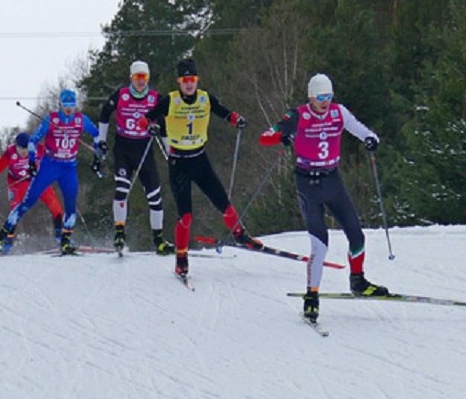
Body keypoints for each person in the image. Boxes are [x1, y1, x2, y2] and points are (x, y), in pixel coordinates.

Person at [259, 73, 389, 323]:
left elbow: (363, 131)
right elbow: (265, 137)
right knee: (320, 244)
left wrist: (371, 140)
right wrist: (281, 136)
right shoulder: (297, 116)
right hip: (307, 182)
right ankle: (311, 296)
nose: (325, 102)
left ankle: (358, 280)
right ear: (311, 97)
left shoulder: (339, 113)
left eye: (329, 96)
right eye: (320, 97)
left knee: (356, 233)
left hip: (332, 179)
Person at [139, 57, 254, 277]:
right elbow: (144, 120)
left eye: (192, 79)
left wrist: (237, 119)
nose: (189, 84)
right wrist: (150, 126)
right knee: (186, 216)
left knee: (222, 201)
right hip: (179, 163)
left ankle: (240, 234)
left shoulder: (205, 98)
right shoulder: (170, 101)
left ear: (197, 80)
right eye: (185, 80)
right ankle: (181, 258)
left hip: (200, 160)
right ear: (179, 82)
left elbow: (224, 112)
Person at [0, 88, 102, 255]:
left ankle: (65, 240)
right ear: (60, 105)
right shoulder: (51, 119)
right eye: (65, 105)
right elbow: (33, 141)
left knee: (70, 206)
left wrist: (97, 154)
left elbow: (97, 134)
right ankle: (0, 237)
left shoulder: (81, 120)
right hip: (50, 165)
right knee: (26, 203)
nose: (69, 109)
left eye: (72, 105)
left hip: (69, 167)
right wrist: (31, 161)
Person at [96, 60, 174, 255]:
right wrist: (102, 141)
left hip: (144, 149)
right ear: (131, 77)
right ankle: (119, 233)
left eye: (144, 77)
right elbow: (105, 113)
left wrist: (169, 152)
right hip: (123, 147)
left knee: (155, 196)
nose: (141, 81)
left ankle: (159, 239)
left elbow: (164, 126)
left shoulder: (155, 98)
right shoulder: (121, 95)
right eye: (138, 77)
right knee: (122, 188)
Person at [0, 131, 64, 254]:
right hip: (17, 184)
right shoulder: (10, 153)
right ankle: (8, 241)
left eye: (26, 148)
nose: (23, 151)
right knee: (15, 211)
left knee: (55, 206)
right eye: (20, 148)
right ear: (16, 146)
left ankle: (61, 237)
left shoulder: (38, 149)